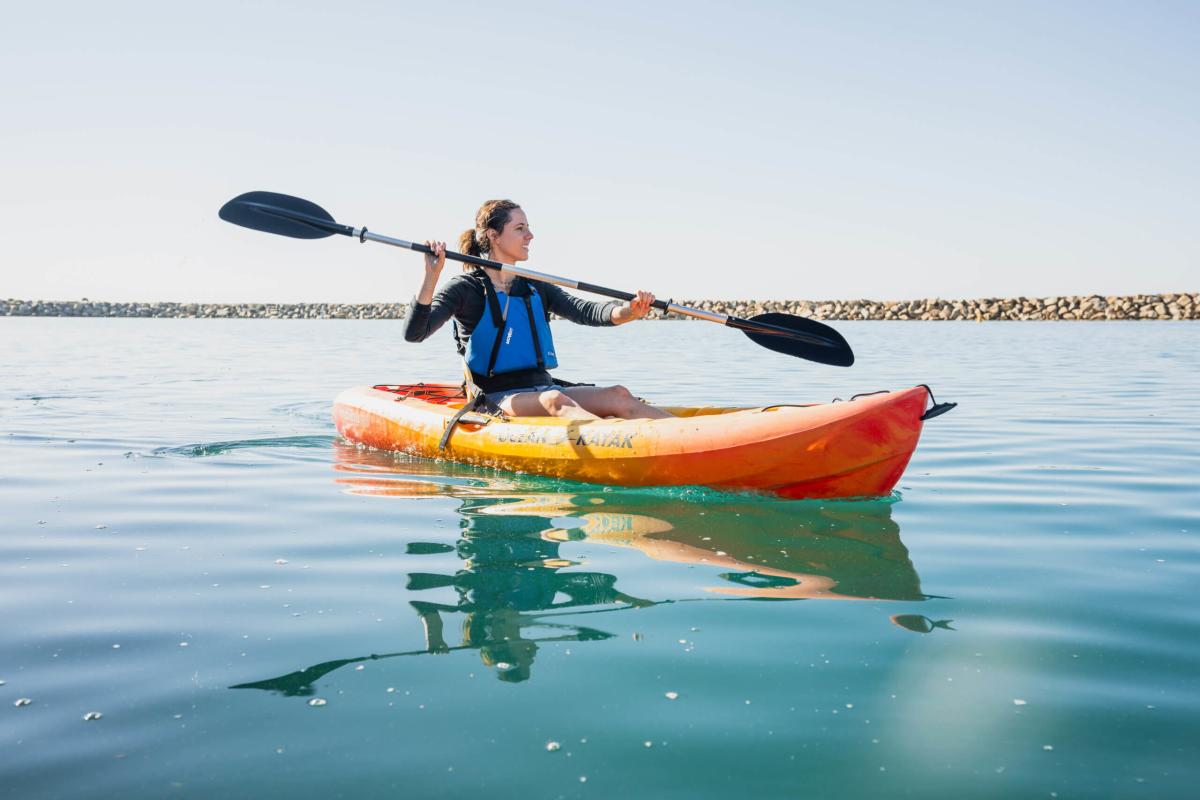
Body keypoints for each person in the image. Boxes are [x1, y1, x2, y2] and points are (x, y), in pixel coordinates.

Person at [403, 199, 672, 420]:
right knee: (555, 400)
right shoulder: (466, 289)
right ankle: (616, 445)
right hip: (496, 397)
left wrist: (630, 311)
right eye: (520, 228)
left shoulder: (534, 286)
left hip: (544, 387)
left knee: (618, 394)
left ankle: (684, 435)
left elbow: (585, 310)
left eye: (528, 228)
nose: (530, 235)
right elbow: (414, 333)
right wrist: (431, 276)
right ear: (493, 236)